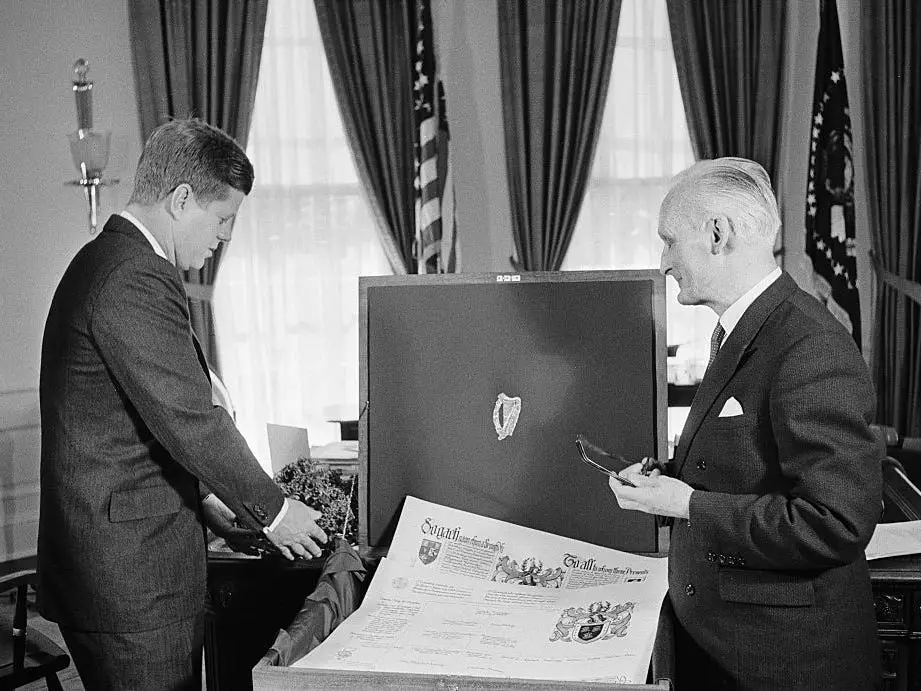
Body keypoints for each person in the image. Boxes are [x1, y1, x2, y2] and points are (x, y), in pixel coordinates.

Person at [38, 118, 328, 690]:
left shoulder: (109, 261)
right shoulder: (133, 275)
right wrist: (276, 512)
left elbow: (137, 428)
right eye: (222, 219)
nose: (225, 236)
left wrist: (208, 504)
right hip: (131, 583)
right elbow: (191, 420)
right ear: (181, 199)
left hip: (120, 569)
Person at [609, 157, 882, 689]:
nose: (664, 263)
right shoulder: (747, 329)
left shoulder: (809, 344)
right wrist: (668, 480)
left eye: (670, 242)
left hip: (781, 665)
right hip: (726, 646)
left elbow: (836, 524)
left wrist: (685, 504)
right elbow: (745, 467)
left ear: (718, 234)